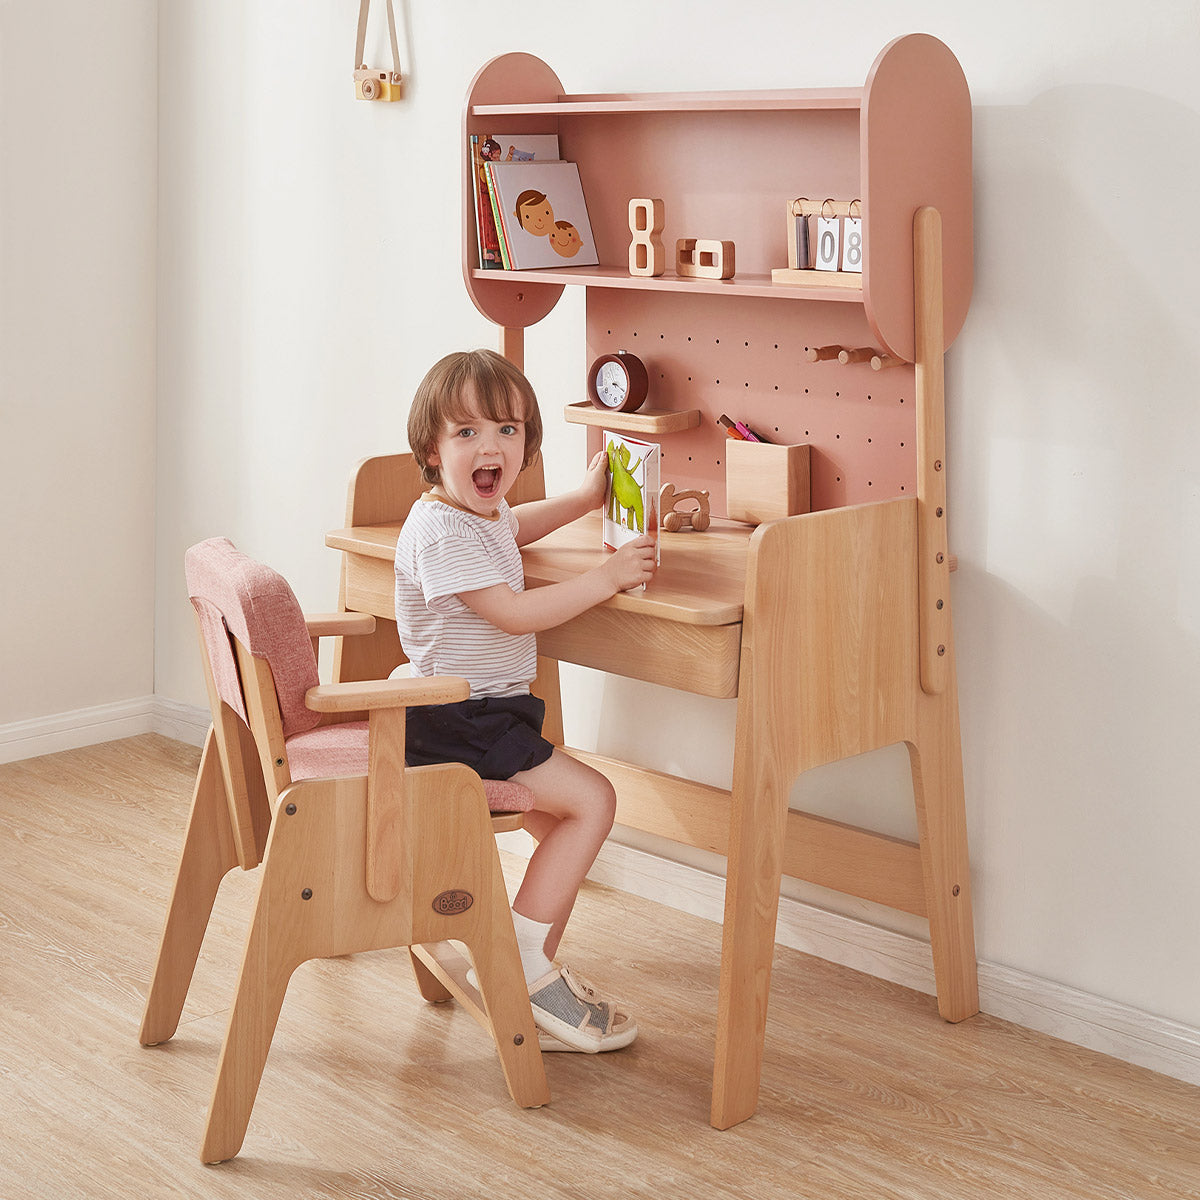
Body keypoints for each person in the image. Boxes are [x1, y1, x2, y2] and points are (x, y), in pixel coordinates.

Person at [393, 348, 658, 1052]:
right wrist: (605, 578)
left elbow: (514, 526)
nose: (491, 447)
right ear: (431, 449)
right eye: (467, 433)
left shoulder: (471, 513)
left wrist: (578, 501)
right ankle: (521, 965)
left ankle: (525, 956)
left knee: (564, 821)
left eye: (507, 432)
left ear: (526, 446)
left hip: (479, 712)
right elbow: (511, 614)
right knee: (593, 802)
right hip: (459, 720)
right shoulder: (442, 532)